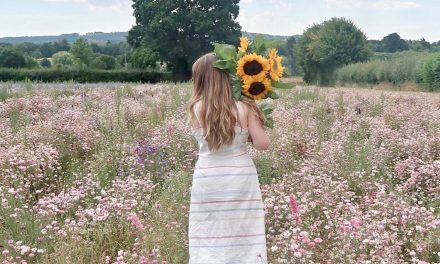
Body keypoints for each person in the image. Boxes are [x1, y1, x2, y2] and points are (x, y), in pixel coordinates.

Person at [186, 52, 270, 263]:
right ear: (228, 77)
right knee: (243, 229)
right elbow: (262, 144)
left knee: (209, 230)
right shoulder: (245, 107)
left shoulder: (195, 108)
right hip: (239, 176)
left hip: (208, 177)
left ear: (200, 80)